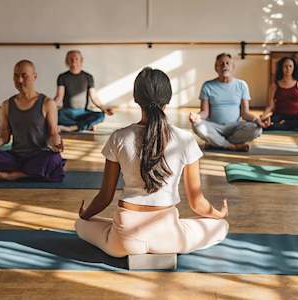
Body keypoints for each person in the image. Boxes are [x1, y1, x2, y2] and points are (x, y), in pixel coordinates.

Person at [75, 67, 229, 258]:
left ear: (135, 98)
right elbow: (197, 204)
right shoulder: (185, 139)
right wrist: (219, 214)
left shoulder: (119, 137)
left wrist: (85, 214)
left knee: (80, 224)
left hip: (123, 240)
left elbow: (105, 197)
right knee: (222, 226)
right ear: (169, 100)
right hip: (170, 238)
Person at [0, 60, 66, 182]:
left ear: (34, 77)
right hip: (15, 157)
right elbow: (4, 137)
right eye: (16, 76)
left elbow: (53, 133)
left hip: (39, 156)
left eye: (24, 75)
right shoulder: (7, 105)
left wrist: (56, 144)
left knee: (54, 159)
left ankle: (12, 175)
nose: (19, 80)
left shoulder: (47, 103)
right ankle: (29, 172)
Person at [189, 53, 271, 152]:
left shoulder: (242, 85)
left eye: (228, 63)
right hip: (214, 126)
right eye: (221, 64)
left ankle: (216, 143)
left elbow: (245, 113)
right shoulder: (207, 86)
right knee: (196, 125)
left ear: (233, 68)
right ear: (216, 68)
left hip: (234, 127)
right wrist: (197, 117)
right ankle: (232, 146)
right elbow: (204, 112)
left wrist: (256, 119)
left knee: (257, 129)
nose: (225, 66)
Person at [54, 50, 113, 132]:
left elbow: (93, 96)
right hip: (67, 112)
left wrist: (103, 108)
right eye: (71, 59)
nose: (74, 61)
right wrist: (48, 109)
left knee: (101, 115)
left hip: (83, 112)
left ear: (81, 61)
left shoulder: (88, 77)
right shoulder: (62, 77)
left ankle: (71, 128)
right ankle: (85, 125)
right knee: (55, 115)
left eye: (76, 59)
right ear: (67, 61)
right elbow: (59, 96)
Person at [261, 56, 298, 131]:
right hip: (279, 115)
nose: (288, 69)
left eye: (290, 66)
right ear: (281, 68)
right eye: (285, 66)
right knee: (266, 124)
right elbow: (270, 105)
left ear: (294, 68)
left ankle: (286, 124)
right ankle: (291, 126)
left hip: (295, 115)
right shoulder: (274, 85)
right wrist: (263, 116)